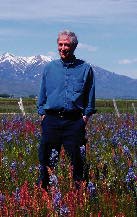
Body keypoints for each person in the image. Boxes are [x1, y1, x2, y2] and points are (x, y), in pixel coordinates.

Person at [37, 30, 96, 190]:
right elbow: (42, 94)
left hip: (74, 122)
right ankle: (45, 194)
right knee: (46, 160)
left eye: (67, 45)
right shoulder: (49, 68)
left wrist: (85, 118)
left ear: (74, 46)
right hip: (51, 120)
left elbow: (90, 97)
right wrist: (42, 114)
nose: (63, 48)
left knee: (77, 160)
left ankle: (79, 195)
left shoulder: (85, 69)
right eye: (60, 44)